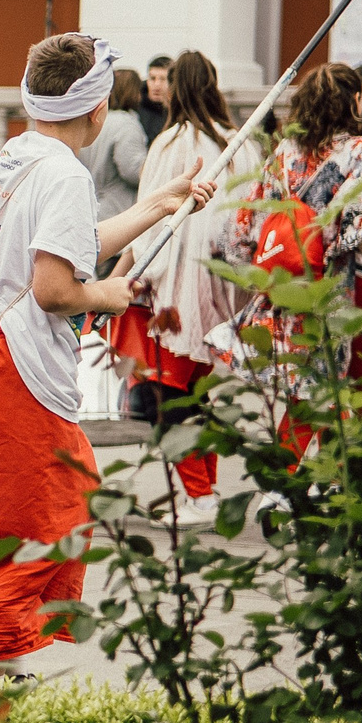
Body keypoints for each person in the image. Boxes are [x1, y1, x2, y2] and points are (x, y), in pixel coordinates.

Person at [0, 33, 208, 673]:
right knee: (30, 523)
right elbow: (56, 286)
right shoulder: (64, 172)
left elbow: (68, 246)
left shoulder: (21, 154)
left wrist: (155, 205)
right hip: (21, 371)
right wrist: (111, 297)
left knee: (47, 504)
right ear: (96, 109)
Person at [109, 49, 260, 500]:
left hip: (173, 288)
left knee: (169, 398)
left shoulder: (170, 142)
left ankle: (199, 495)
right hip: (224, 284)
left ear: (174, 90)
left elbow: (147, 218)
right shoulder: (241, 142)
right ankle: (203, 491)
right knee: (197, 394)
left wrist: (123, 275)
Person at [229, 63, 362, 422]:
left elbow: (247, 223)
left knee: (304, 390)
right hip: (328, 288)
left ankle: (316, 472)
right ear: (354, 99)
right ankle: (293, 475)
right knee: (322, 395)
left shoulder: (285, 151)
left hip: (283, 287)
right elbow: (361, 224)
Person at [82, 65, 150, 228]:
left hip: (91, 210)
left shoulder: (94, 121)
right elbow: (133, 171)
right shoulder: (125, 124)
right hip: (116, 214)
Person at [137, 55, 172, 142]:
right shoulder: (134, 108)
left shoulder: (178, 112)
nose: (157, 85)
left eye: (163, 79)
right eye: (152, 78)